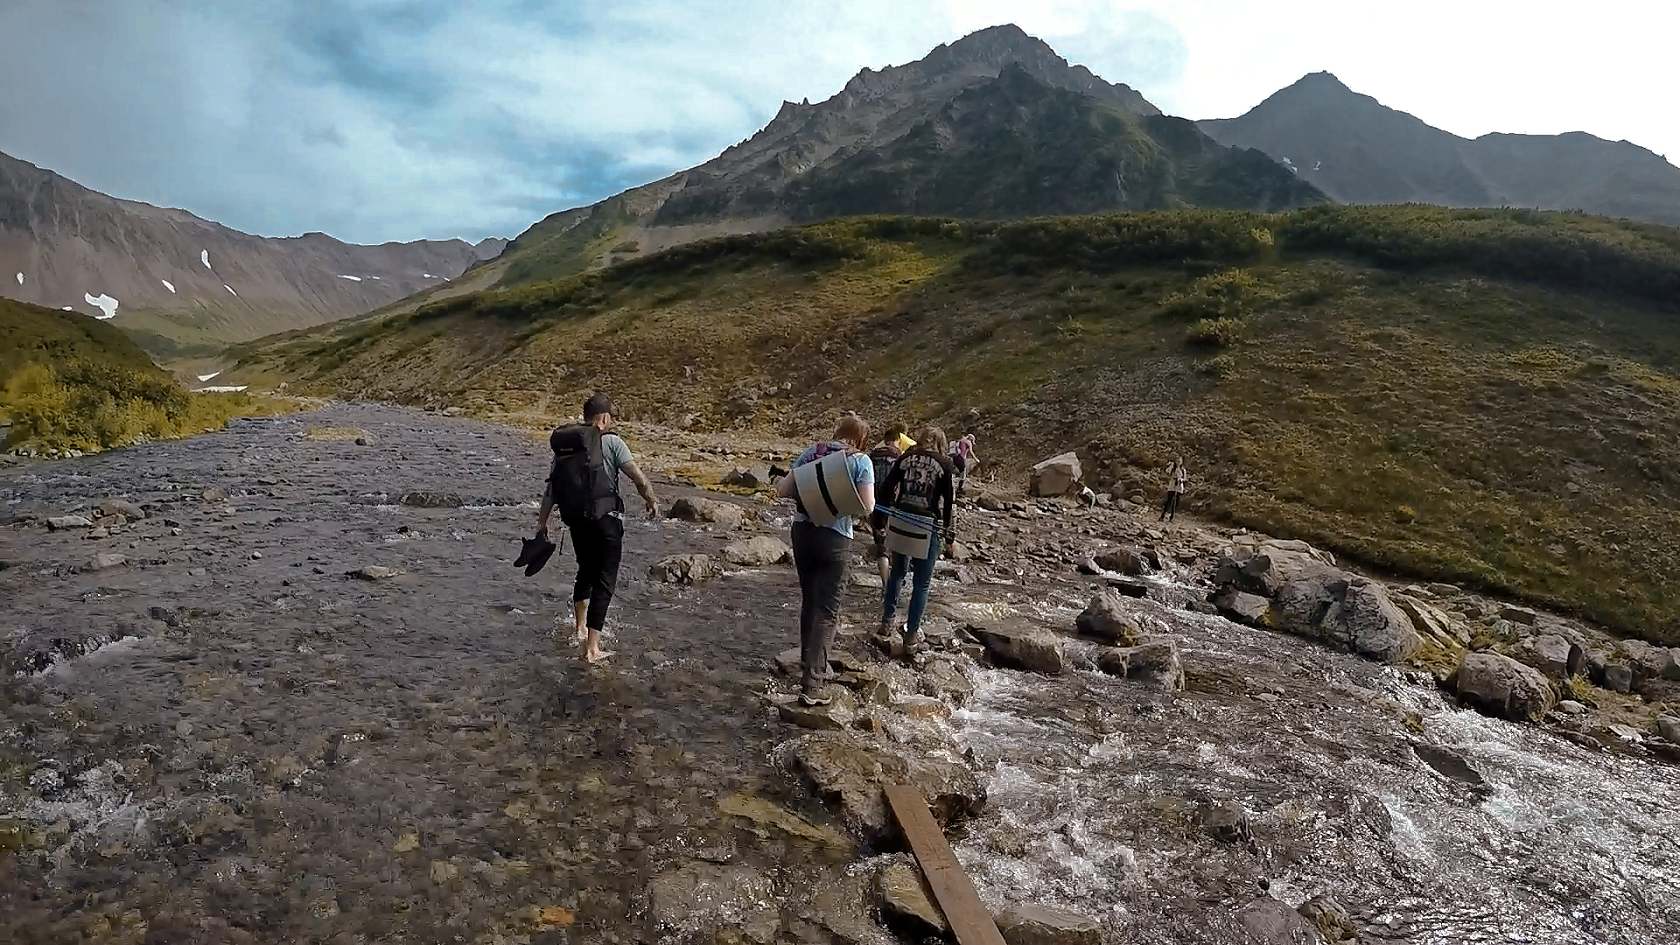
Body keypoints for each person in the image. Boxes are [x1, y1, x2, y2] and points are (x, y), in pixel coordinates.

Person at [536, 393, 659, 664]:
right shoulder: (613, 442)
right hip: (607, 520)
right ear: (604, 418)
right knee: (604, 580)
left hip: (577, 520)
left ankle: (579, 628)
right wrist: (651, 501)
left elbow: (550, 490)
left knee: (585, 570)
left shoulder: (568, 448)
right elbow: (637, 478)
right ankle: (592, 648)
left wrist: (542, 523)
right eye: (610, 417)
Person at [777, 415, 876, 706]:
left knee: (810, 599)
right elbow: (867, 507)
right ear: (860, 439)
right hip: (835, 537)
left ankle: (808, 659)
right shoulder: (861, 461)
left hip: (803, 531)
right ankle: (813, 682)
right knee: (828, 610)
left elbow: (783, 490)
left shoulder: (812, 451)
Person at [879, 426, 956, 652]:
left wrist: (882, 517)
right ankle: (911, 636)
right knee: (921, 583)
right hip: (926, 524)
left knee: (897, 574)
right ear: (941, 443)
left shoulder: (906, 457)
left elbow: (886, 488)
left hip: (901, 519)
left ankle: (886, 622)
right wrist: (949, 532)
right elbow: (949, 502)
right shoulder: (944, 464)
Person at [867, 422, 912, 585]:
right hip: (894, 504)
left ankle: (885, 582)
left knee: (881, 543)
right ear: (896, 440)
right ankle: (899, 577)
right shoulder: (899, 457)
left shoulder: (872, 455)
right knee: (898, 540)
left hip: (875, 503)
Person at [1160, 457, 1188, 523]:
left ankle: (1172, 517)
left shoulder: (1183, 470)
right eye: (1177, 460)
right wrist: (1169, 466)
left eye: (1179, 461)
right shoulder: (1172, 468)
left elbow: (1185, 479)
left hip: (1179, 486)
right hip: (1172, 485)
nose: (1178, 462)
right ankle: (1162, 516)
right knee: (1169, 501)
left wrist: (1180, 480)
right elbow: (1167, 472)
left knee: (1175, 502)